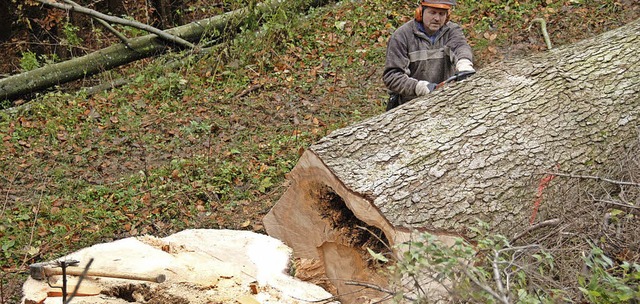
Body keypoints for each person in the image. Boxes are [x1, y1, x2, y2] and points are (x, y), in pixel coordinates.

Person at [383, 0, 475, 110]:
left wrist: (464, 63)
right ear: (420, 13)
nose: (437, 18)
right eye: (433, 12)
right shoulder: (402, 36)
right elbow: (392, 76)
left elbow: (460, 46)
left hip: (445, 99)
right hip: (410, 105)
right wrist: (420, 88)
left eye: (442, 14)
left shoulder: (451, 31)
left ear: (447, 15)